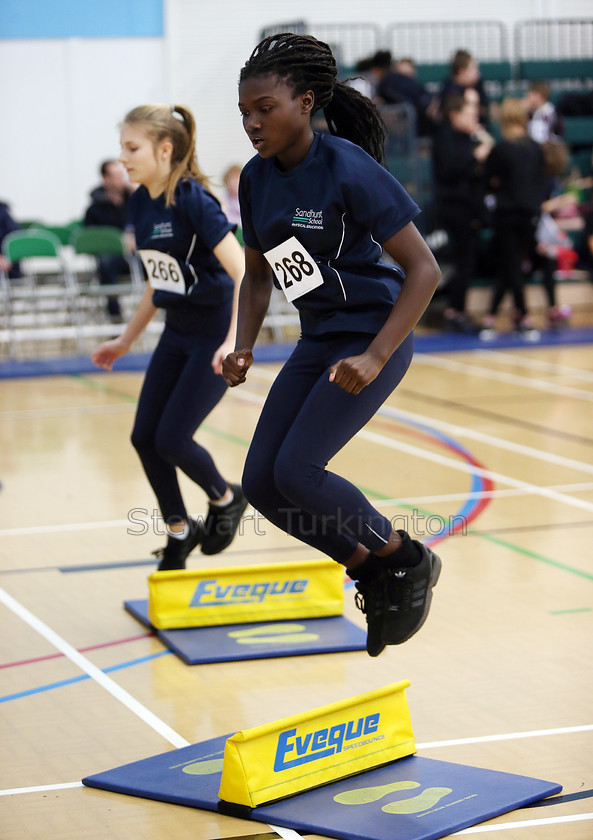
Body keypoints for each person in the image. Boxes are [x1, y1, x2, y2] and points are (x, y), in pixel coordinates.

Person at [222, 33, 443, 658]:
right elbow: (260, 273)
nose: (253, 123)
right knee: (263, 484)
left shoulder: (348, 166)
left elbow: (424, 271)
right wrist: (242, 345)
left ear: (306, 102)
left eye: (265, 107)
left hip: (374, 337)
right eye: (244, 112)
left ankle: (406, 556)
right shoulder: (256, 181)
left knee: (298, 472)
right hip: (318, 341)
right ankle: (368, 565)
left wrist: (374, 357)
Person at [91, 104, 247, 570]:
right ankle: (180, 532)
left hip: (215, 334)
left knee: (173, 438)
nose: (123, 157)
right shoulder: (140, 201)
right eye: (122, 147)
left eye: (131, 147)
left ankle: (225, 498)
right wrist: (124, 340)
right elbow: (159, 282)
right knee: (145, 437)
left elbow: (243, 273)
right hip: (176, 330)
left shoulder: (195, 200)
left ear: (164, 149)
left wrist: (233, 343)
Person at [480, 98, 547, 340]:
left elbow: (487, 181)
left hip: (507, 214)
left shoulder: (501, 149)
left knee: (512, 266)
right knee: (512, 265)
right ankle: (497, 316)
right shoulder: (535, 148)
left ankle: (521, 317)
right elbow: (541, 182)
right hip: (530, 214)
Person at [432, 93, 493, 332]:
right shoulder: (447, 137)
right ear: (454, 114)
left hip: (468, 208)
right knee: (461, 261)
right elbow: (449, 170)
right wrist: (474, 157)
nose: (474, 117)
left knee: (467, 261)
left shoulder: (469, 138)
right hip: (454, 208)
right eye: (469, 113)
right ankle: (455, 311)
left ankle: (457, 309)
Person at [83, 160, 137, 322]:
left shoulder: (134, 201)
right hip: (111, 258)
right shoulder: (95, 208)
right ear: (105, 179)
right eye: (116, 176)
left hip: (135, 255)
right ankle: (115, 316)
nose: (121, 180)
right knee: (106, 262)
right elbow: (90, 237)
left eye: (122, 175)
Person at [440, 49, 489, 128]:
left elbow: (485, 109)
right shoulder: (450, 90)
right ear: (461, 71)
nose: (477, 73)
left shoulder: (478, 85)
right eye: (473, 69)